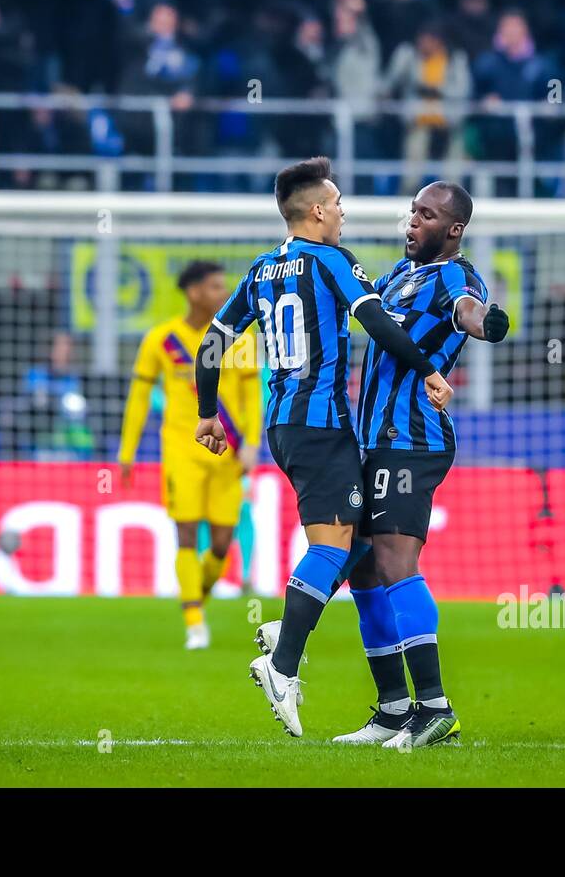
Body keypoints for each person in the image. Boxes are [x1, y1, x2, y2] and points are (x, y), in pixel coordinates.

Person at [193, 156, 453, 737]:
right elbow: (381, 324)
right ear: (316, 211)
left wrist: (207, 413)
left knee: (360, 545)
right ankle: (282, 663)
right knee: (336, 546)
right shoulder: (334, 261)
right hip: (324, 427)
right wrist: (428, 370)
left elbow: (212, 342)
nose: (342, 213)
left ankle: (378, 702)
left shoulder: (261, 270)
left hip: (282, 427)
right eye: (337, 205)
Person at [333, 180, 508, 748]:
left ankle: (435, 710)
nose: (412, 222)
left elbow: (468, 312)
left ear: (453, 230)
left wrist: (488, 322)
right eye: (412, 211)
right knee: (362, 568)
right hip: (372, 439)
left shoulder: (454, 276)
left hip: (412, 439)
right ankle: (391, 710)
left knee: (393, 559)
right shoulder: (396, 277)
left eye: (427, 215)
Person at [119, 262, 262, 650]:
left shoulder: (240, 340)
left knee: (220, 543)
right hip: (181, 450)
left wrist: (251, 443)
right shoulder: (161, 340)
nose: (223, 293)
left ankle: (195, 594)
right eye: (216, 286)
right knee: (184, 535)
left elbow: (252, 397)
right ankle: (195, 621)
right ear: (194, 292)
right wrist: (126, 451)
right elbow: (139, 398)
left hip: (227, 452)